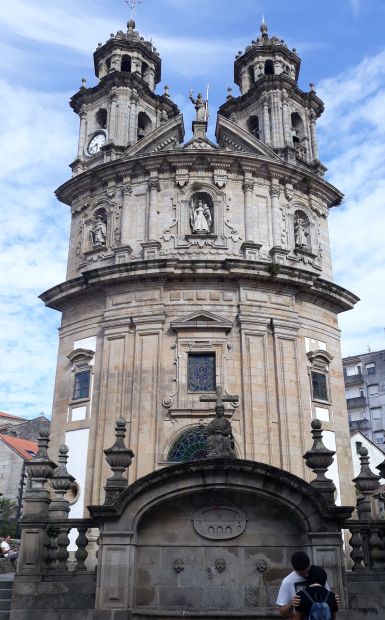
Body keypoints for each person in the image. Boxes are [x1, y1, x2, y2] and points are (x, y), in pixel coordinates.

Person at [276, 552, 311, 617]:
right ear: (294, 569)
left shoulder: (318, 574)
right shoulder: (287, 581)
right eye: (302, 573)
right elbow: (282, 612)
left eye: (307, 571)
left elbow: (328, 597)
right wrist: (292, 604)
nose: (306, 575)